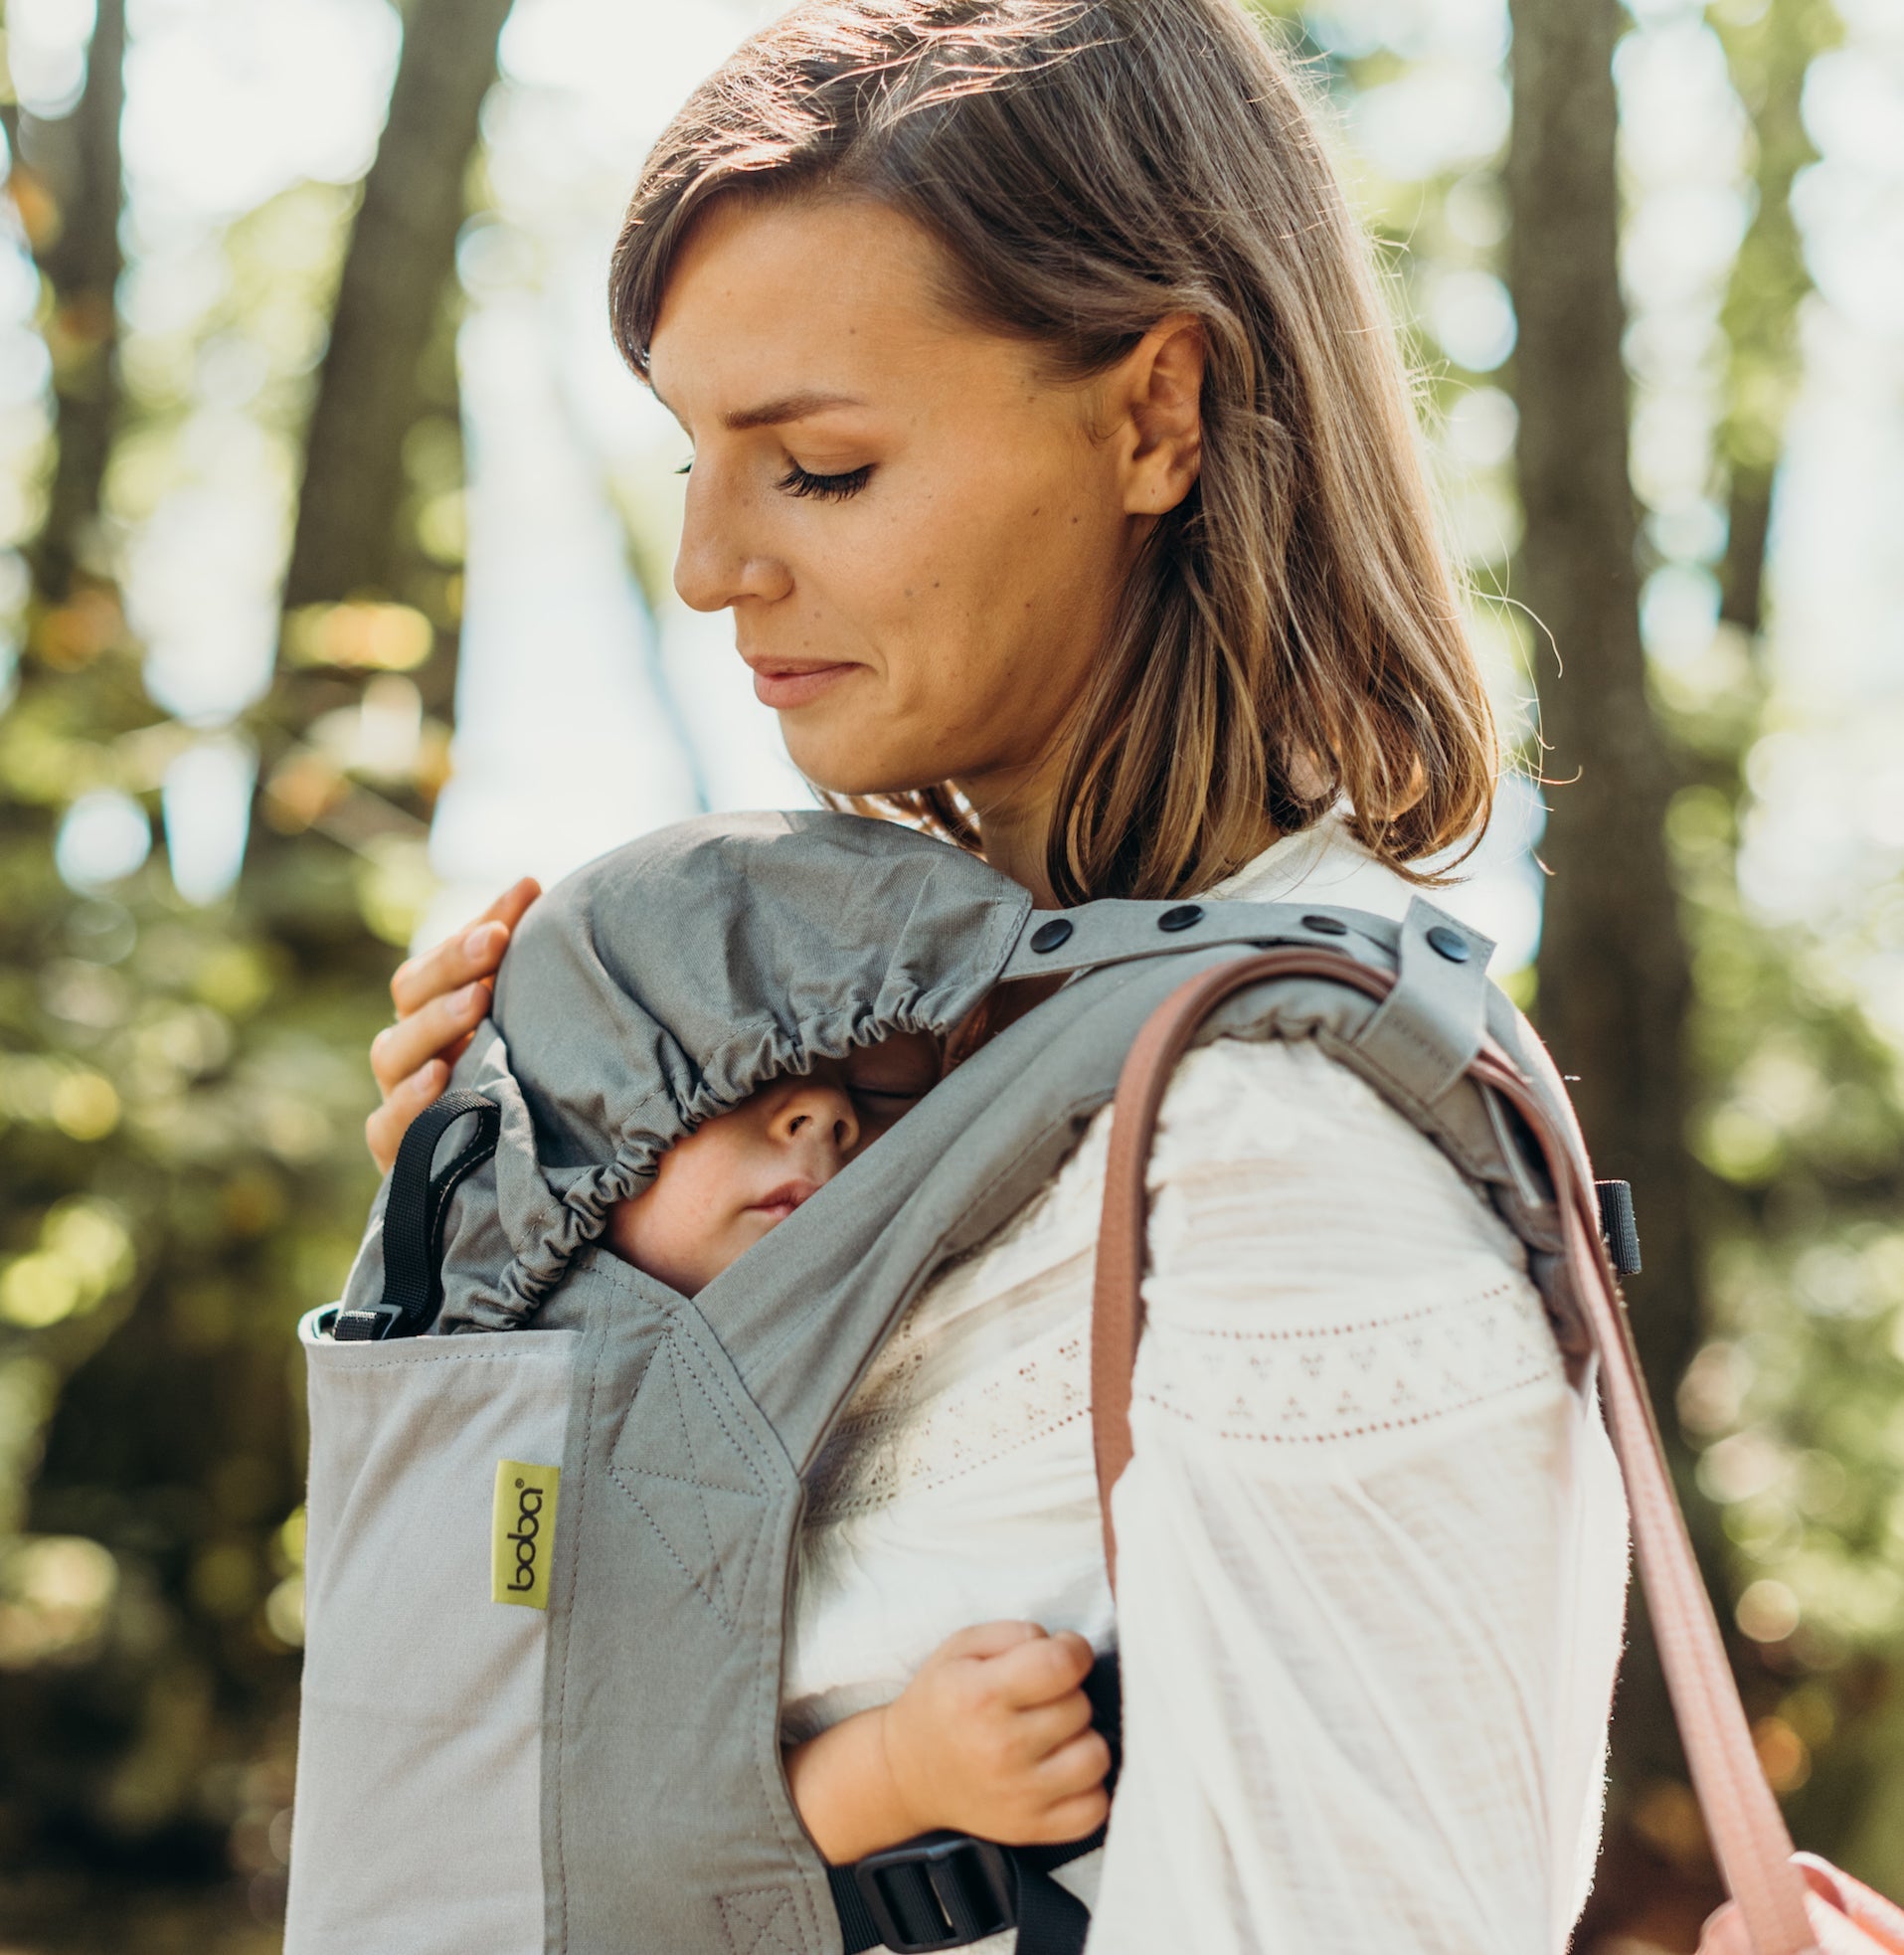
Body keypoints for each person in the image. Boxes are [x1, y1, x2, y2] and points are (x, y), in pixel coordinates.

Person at [361, 2, 1631, 1947]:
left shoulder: (1275, 1148)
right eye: (697, 454)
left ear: (1153, 415)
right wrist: (528, 1275)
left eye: (822, 466)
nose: (707, 563)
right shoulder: (924, 1077)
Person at [600, 1034, 1117, 1869]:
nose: (828, 1110)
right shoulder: (527, 1434)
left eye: (880, 1088)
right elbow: (585, 1825)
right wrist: (895, 1775)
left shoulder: (905, 1338)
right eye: (739, 1062)